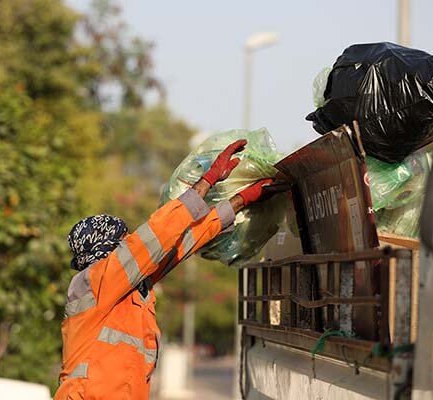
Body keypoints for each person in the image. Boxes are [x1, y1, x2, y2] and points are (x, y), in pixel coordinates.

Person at [54, 139, 272, 400]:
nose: (128, 241)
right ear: (108, 246)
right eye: (123, 239)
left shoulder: (129, 287)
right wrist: (208, 180)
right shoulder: (91, 284)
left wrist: (238, 201)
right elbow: (152, 239)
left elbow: (177, 245)